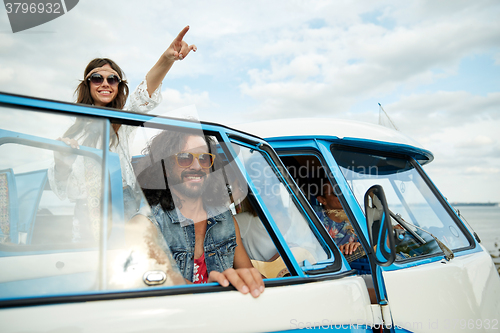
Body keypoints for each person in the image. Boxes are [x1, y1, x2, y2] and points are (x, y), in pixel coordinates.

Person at [47, 27, 196, 241]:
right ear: (87, 85)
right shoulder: (74, 133)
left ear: (118, 86)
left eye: (113, 79)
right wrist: (62, 162)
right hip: (87, 213)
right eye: (97, 78)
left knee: (127, 266)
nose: (105, 83)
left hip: (123, 205)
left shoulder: (122, 122)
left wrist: (167, 58)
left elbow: (144, 94)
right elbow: (67, 191)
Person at [130, 130, 265, 297]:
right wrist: (208, 290)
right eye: (185, 158)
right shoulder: (146, 225)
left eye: (204, 159)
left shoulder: (225, 220)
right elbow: (151, 283)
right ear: (165, 168)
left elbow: (250, 274)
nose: (196, 166)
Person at [314, 182, 362, 255]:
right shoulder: (314, 220)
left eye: (344, 192)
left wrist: (357, 246)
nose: (342, 195)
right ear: (322, 200)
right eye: (336, 192)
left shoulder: (356, 219)